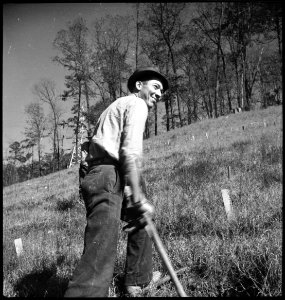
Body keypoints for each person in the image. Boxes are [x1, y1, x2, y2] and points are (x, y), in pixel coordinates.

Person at [64, 67, 169, 297]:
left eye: (162, 90)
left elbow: (88, 147)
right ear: (139, 86)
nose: (159, 93)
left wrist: (133, 188)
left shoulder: (113, 107)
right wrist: (137, 194)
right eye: (155, 86)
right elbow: (130, 149)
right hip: (110, 174)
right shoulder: (137, 104)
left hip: (104, 173)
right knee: (102, 247)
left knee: (141, 220)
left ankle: (138, 281)